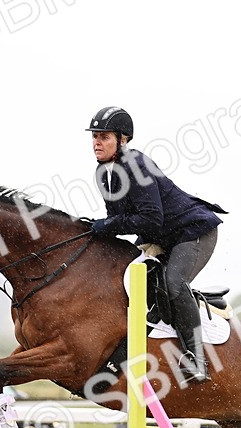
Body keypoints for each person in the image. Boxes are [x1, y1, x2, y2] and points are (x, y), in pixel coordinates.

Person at [85, 106, 225, 384]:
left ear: (122, 139)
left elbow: (149, 217)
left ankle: (197, 359)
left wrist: (107, 226)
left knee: (173, 283)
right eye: (94, 137)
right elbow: (119, 220)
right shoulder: (104, 173)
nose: (96, 142)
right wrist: (95, 230)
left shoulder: (136, 164)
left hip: (193, 233)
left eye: (104, 137)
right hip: (163, 238)